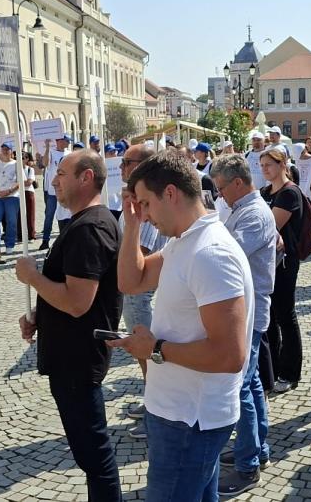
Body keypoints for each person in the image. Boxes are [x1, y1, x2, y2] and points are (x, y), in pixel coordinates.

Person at [110, 150, 253, 502]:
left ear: (170, 193)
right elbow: (131, 281)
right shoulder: (185, 242)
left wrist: (154, 349)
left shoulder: (210, 253)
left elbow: (230, 355)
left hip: (190, 419)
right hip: (181, 414)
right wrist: (132, 226)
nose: (144, 213)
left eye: (146, 203)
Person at [16, 150, 123, 502]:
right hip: (71, 354)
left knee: (95, 456)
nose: (54, 180)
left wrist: (32, 278)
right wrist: (41, 314)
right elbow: (72, 291)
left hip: (77, 358)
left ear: (86, 177)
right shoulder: (84, 223)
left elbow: (78, 302)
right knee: (89, 454)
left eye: (61, 173)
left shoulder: (90, 227)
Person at [210, 154, 278, 497]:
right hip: (245, 309)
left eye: (222, 188)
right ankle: (256, 449)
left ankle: (248, 466)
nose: (219, 195)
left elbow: (228, 255)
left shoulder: (254, 214)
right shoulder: (242, 209)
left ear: (238, 182)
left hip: (249, 312)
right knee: (250, 383)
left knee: (240, 387)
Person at [116, 143, 170, 439]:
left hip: (140, 288)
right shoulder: (134, 197)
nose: (121, 166)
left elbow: (143, 250)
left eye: (127, 161)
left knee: (148, 354)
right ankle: (152, 404)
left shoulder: (145, 202)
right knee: (142, 353)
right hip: (132, 287)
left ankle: (155, 415)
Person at [260, 147, 306, 393]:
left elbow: (267, 226)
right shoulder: (264, 192)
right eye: (262, 165)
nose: (265, 169)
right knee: (269, 316)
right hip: (266, 262)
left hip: (285, 262)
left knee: (285, 315)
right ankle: (272, 368)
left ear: (282, 164)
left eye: (269, 164)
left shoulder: (290, 193)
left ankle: (290, 372)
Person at [38, 134, 71, 251]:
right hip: (53, 191)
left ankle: (66, 239)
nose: (68, 143)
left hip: (66, 190)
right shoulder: (51, 152)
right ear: (60, 141)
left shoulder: (69, 153)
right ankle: (45, 241)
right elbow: (45, 164)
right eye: (67, 141)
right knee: (49, 216)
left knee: (66, 216)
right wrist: (47, 148)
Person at [0, 142, 22, 255]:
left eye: (7, 149)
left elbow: (20, 181)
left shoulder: (16, 164)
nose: (5, 151)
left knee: (11, 221)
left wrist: (9, 191)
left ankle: (10, 244)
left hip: (12, 196)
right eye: (3, 149)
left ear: (11, 151)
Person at [22, 151, 39, 241]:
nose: (22, 159)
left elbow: (29, 182)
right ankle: (20, 235)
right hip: (18, 193)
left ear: (27, 159)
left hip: (29, 192)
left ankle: (31, 235)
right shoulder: (15, 169)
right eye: (20, 158)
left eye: (24, 158)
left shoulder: (30, 169)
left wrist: (18, 183)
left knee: (30, 214)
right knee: (19, 215)